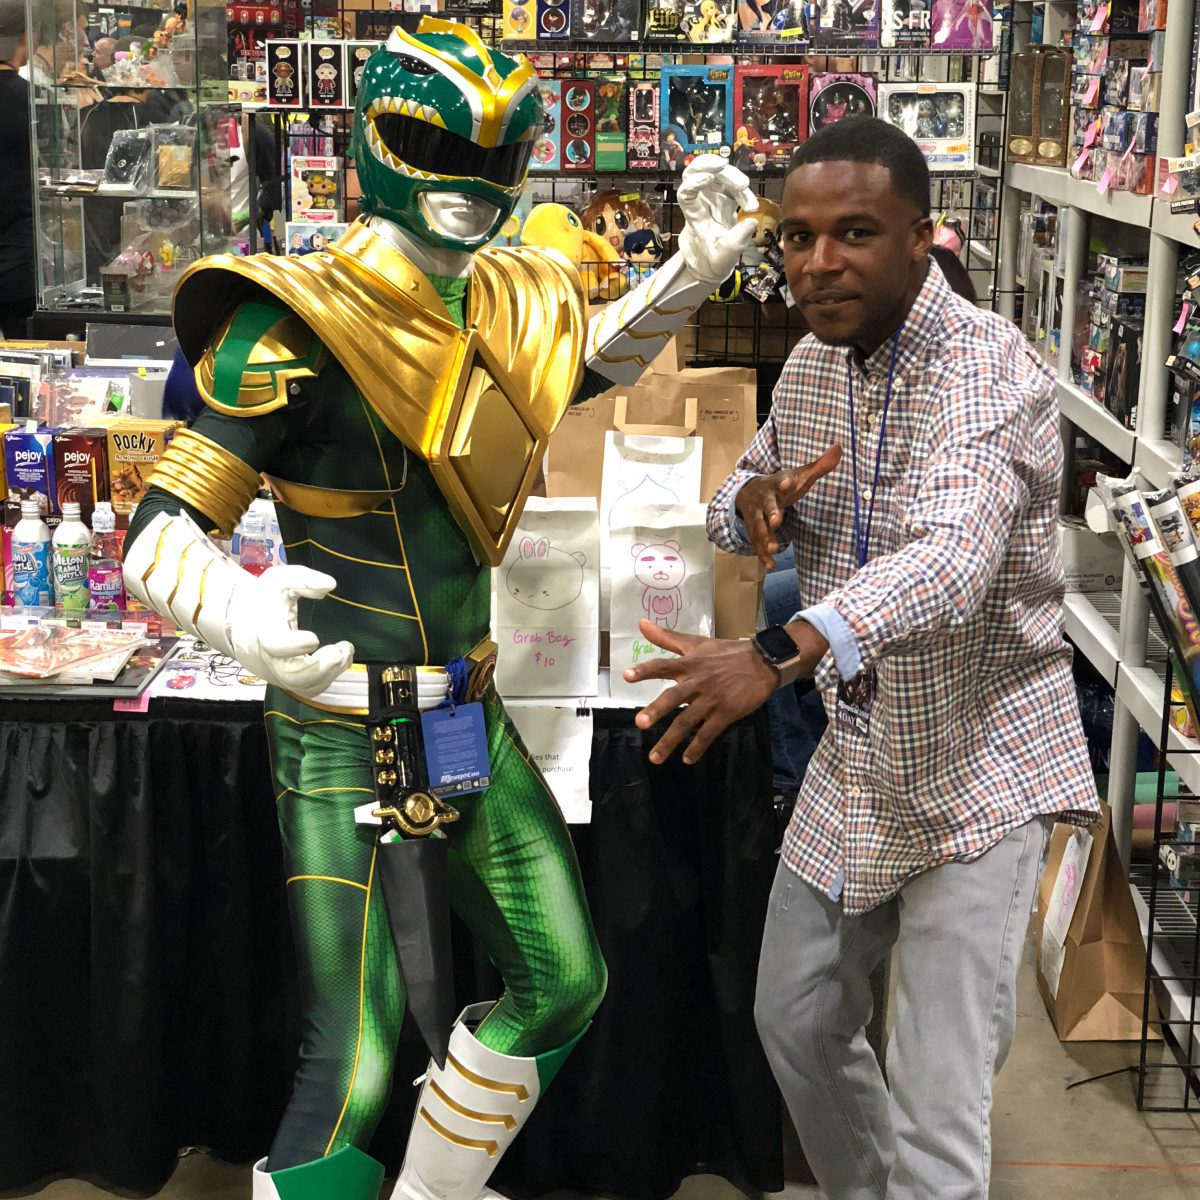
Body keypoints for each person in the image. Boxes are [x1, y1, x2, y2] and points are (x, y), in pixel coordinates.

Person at [121, 19, 756, 1200]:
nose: (471, 184)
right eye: (438, 148)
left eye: (496, 156)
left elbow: (578, 366)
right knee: (354, 1060)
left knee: (563, 979)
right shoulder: (291, 319)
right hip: (337, 722)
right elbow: (158, 528)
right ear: (377, 140)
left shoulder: (509, 292)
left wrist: (691, 271)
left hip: (460, 710)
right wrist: (233, 612)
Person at [622, 117, 1100, 1199]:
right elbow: (734, 503)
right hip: (862, 758)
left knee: (938, 1100)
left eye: (855, 233)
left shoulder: (987, 373)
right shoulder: (812, 368)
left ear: (922, 238)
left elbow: (952, 561)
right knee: (794, 1017)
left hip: (982, 770)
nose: (818, 261)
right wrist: (754, 500)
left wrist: (775, 651)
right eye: (798, 237)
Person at [0, 0, 34, 338]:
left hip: (18, 255)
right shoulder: (31, 101)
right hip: (17, 263)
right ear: (25, 36)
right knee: (23, 357)